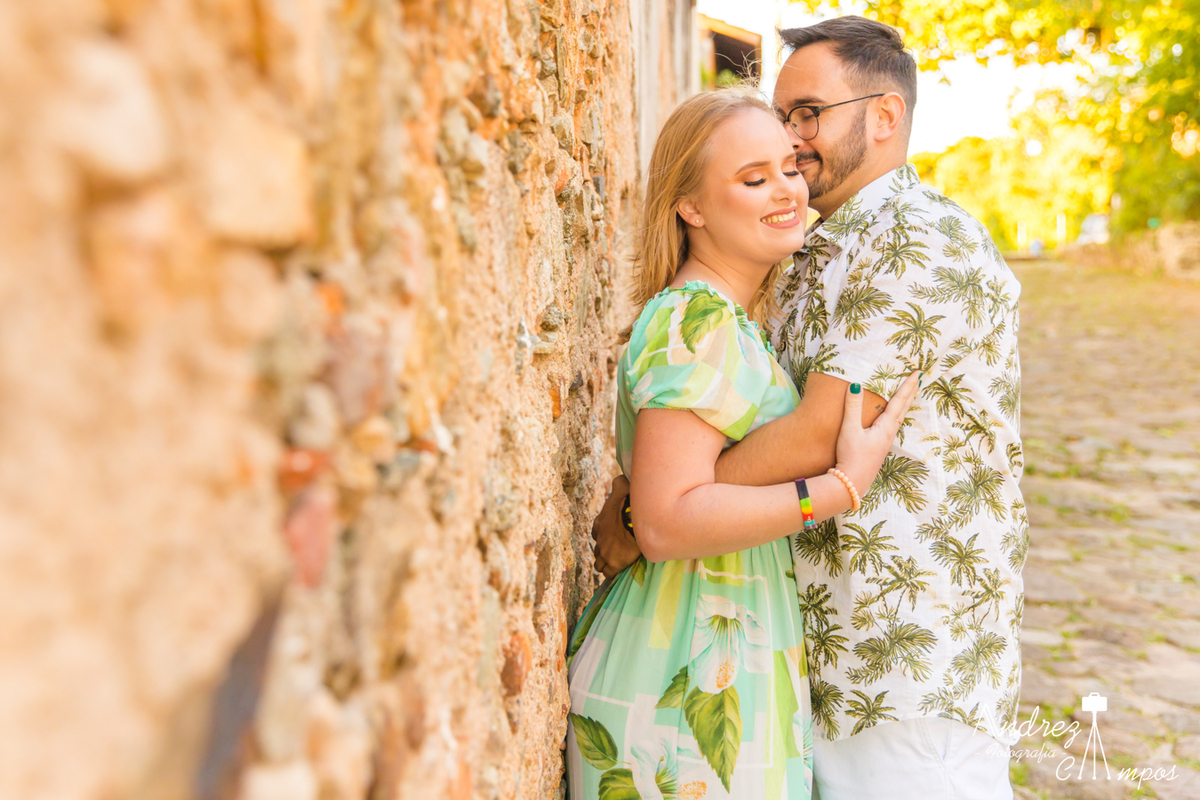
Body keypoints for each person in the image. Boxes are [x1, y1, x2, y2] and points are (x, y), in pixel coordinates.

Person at [591, 16, 1026, 800]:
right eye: (784, 116)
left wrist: (655, 509)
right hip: (806, 654)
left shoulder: (918, 242)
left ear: (885, 116)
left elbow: (823, 431)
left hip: (904, 664)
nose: (794, 140)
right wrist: (666, 500)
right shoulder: (804, 256)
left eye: (808, 114)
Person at [565, 89, 920, 800]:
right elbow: (666, 520)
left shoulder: (728, 319)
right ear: (690, 206)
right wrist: (839, 489)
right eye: (752, 179)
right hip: (679, 675)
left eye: (788, 168)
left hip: (718, 654)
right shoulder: (697, 318)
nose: (787, 189)